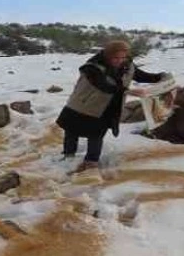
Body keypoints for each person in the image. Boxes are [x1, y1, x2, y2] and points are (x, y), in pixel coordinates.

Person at [56, 40, 169, 173]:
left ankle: (91, 162)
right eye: (116, 58)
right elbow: (103, 86)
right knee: (72, 131)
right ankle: (68, 157)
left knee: (97, 134)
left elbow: (142, 76)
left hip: (106, 108)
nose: (119, 61)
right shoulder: (92, 67)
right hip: (82, 105)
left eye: (123, 57)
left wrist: (161, 77)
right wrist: (127, 90)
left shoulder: (128, 66)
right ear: (107, 55)